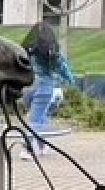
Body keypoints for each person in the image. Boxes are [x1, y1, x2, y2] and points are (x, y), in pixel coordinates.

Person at [19, 21, 75, 159]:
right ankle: (27, 149)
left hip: (28, 86)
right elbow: (63, 69)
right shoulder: (52, 53)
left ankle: (42, 145)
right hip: (44, 87)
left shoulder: (27, 51)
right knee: (36, 120)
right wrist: (71, 81)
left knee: (39, 116)